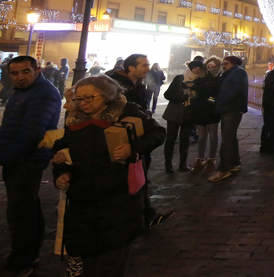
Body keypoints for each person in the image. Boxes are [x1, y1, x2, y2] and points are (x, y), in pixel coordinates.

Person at [52, 75, 165, 276]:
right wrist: (62, 172)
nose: (83, 103)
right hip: (82, 196)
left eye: (90, 98)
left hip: (118, 197)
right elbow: (63, 148)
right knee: (87, 252)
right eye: (79, 99)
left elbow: (157, 134)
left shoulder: (127, 112)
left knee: (112, 257)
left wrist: (133, 148)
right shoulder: (74, 118)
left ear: (107, 95)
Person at [0, 56, 62, 275]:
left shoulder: (44, 94)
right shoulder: (22, 91)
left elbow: (31, 135)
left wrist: (3, 155)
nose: (20, 77)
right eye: (15, 73)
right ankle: (25, 254)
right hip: (15, 157)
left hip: (27, 160)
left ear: (36, 70)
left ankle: (24, 259)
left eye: (25, 72)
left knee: (22, 211)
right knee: (24, 209)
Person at [208, 56, 249, 183]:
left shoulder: (238, 73)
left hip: (232, 110)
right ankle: (235, 163)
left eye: (225, 63)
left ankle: (223, 170)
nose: (223, 66)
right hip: (228, 109)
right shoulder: (228, 73)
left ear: (233, 63)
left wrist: (218, 102)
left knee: (226, 139)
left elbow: (231, 92)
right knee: (230, 137)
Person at [187, 59, 221, 172]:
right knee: (201, 137)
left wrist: (209, 101)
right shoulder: (196, 81)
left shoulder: (213, 80)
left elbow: (215, 96)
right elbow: (193, 96)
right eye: (192, 69)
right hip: (199, 112)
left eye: (196, 68)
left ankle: (211, 159)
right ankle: (200, 159)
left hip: (211, 112)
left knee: (213, 136)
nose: (194, 71)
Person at [161, 61, 196, 173]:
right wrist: (182, 98)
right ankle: (168, 165)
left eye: (199, 68)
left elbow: (207, 97)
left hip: (189, 115)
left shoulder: (199, 82)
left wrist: (209, 101)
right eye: (194, 68)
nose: (197, 70)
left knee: (185, 140)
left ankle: (183, 165)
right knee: (171, 139)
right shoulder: (179, 78)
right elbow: (167, 94)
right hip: (174, 113)